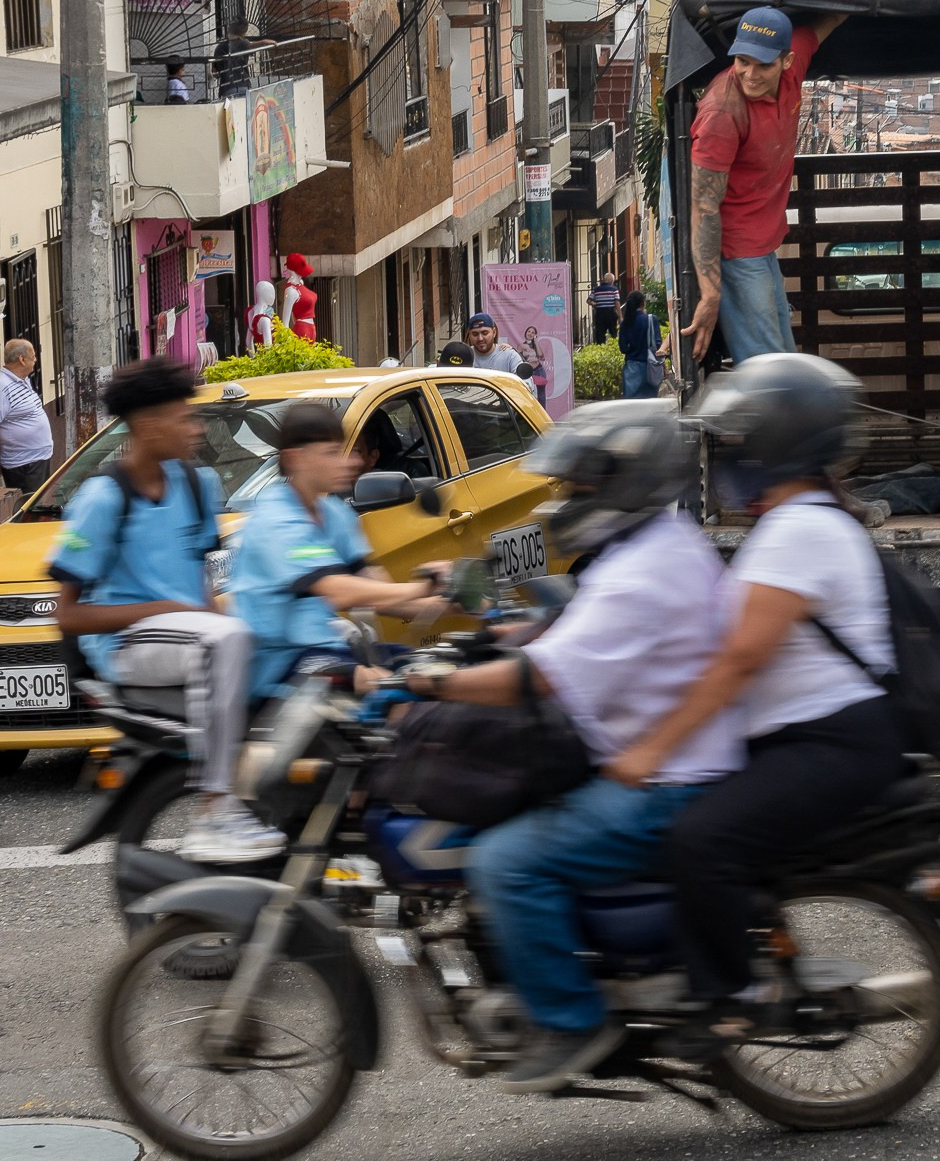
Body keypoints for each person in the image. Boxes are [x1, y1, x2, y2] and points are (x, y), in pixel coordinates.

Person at [393, 401, 739, 1093]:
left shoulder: (644, 570)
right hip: (649, 755)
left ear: (626, 482)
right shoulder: (653, 543)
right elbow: (575, 632)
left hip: (668, 779)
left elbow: (541, 677)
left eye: (582, 483)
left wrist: (436, 680)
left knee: (505, 859)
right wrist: (500, 627)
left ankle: (574, 1018)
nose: (569, 495)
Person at [607, 353, 905, 1062]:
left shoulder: (801, 530)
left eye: (744, 438)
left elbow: (740, 660)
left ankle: (729, 1002)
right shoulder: (798, 520)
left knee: (702, 841)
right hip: (802, 735)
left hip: (832, 744)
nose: (733, 452)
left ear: (781, 441)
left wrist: (654, 745)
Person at [48, 357, 280, 864]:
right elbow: (68, 615)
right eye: (185, 418)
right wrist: (162, 609)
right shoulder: (103, 498)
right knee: (226, 641)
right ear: (148, 426)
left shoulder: (198, 486)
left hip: (182, 635)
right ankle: (216, 809)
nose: (197, 429)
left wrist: (215, 615)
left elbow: (199, 586)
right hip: (127, 648)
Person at [227, 403, 449, 703]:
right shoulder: (276, 520)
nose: (348, 462)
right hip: (279, 664)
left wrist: (452, 598)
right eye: (331, 453)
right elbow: (338, 592)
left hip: (326, 649)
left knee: (437, 673)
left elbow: (379, 592)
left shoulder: (334, 513)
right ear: (295, 459)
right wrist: (423, 586)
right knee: (395, 690)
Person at [682, 7, 849, 366]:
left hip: (765, 244)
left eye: (762, 65)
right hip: (737, 251)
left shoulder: (795, 60)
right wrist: (710, 295)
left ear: (786, 61)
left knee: (783, 354)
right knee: (769, 368)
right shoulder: (722, 114)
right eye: (742, 61)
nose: (750, 74)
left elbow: (829, 19)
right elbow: (704, 207)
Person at [0, 339, 55, 493]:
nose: (35, 360)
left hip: (38, 457)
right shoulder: (1, 387)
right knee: (30, 509)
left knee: (41, 505)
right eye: (33, 356)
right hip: (24, 463)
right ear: (22, 359)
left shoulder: (23, 381)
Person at [618, 290, 661, 399]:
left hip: (632, 367)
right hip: (650, 366)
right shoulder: (651, 320)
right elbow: (657, 344)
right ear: (642, 303)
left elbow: (623, 348)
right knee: (650, 403)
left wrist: (632, 349)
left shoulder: (625, 323)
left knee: (632, 405)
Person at [588, 271, 621, 342]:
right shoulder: (614, 290)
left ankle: (600, 348)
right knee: (613, 333)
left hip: (600, 313)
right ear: (611, 281)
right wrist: (620, 316)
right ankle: (614, 348)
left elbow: (588, 301)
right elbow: (617, 302)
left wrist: (595, 304)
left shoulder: (596, 290)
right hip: (611, 313)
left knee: (600, 334)